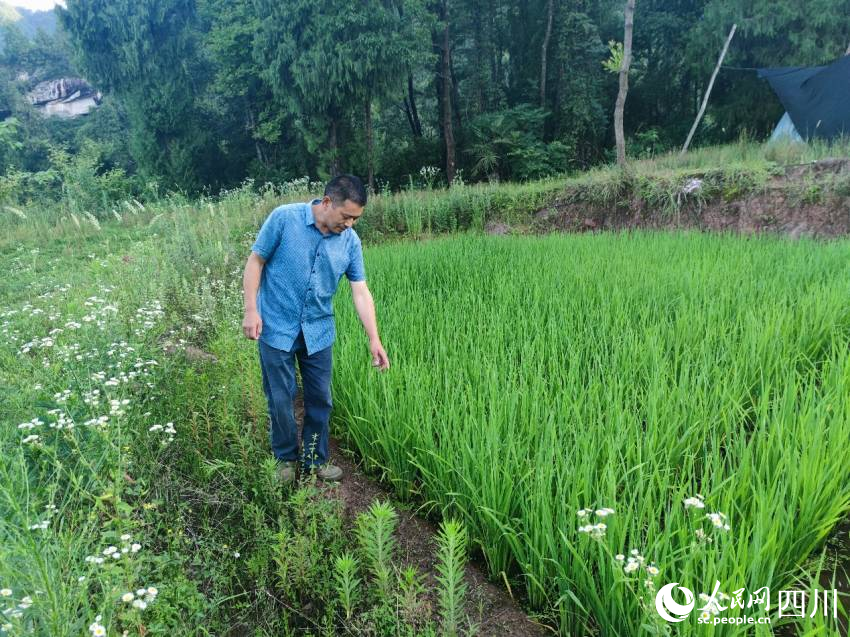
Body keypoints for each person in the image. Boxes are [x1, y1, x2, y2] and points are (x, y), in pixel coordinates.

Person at [241, 174, 389, 484]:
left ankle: (313, 459)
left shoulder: (350, 241)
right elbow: (256, 261)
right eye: (346, 216)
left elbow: (360, 290)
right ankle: (284, 457)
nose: (350, 224)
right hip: (276, 325)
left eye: (356, 218)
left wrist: (374, 338)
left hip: (318, 331)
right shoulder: (284, 218)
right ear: (326, 203)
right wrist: (251, 309)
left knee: (320, 398)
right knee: (281, 397)